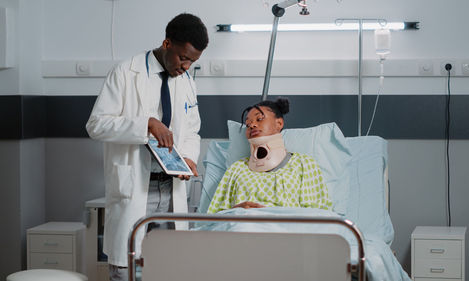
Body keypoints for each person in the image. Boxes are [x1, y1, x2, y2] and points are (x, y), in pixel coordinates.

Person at [85, 13, 208, 281]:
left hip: (171, 186)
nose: (186, 66)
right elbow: (96, 125)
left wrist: (188, 157)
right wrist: (147, 124)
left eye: (193, 61)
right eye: (183, 57)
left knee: (170, 265)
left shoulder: (186, 81)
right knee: (126, 268)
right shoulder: (126, 72)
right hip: (136, 186)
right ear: (166, 44)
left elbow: (192, 129)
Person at [207, 98, 333, 214]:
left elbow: (319, 214)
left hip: (287, 232)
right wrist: (236, 210)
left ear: (279, 123)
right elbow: (215, 218)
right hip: (243, 229)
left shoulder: (303, 164)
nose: (252, 125)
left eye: (259, 119)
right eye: (248, 124)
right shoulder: (237, 169)